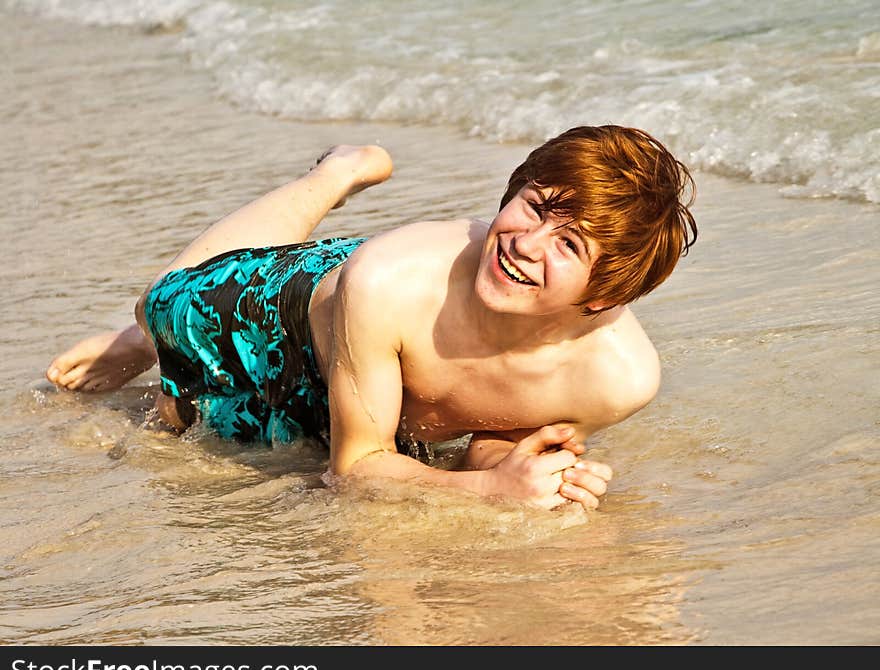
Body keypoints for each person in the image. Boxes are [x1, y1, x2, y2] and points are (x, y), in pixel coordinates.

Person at [46, 126, 697, 511]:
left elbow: (490, 436)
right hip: (298, 311)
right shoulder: (388, 280)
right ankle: (336, 174)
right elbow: (354, 469)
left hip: (367, 317)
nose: (525, 244)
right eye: (534, 207)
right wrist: (493, 493)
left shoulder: (618, 379)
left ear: (602, 297)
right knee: (165, 337)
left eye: (569, 245)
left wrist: (524, 469)